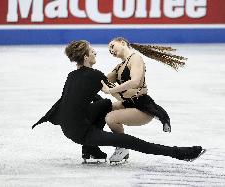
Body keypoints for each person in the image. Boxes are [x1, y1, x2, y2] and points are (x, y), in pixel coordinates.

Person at [32, 40, 204, 164]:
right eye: (92, 51)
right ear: (85, 57)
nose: (95, 53)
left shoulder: (72, 76)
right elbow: (122, 97)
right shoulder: (95, 75)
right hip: (81, 133)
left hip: (67, 127)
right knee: (129, 141)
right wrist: (149, 104)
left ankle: (91, 152)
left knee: (104, 104)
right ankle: (180, 153)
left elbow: (68, 101)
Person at [101, 37, 187, 162]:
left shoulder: (135, 58)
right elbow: (104, 79)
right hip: (129, 103)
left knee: (110, 118)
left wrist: (111, 91)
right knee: (103, 108)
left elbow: (135, 81)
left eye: (112, 46)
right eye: (109, 50)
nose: (111, 51)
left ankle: (122, 147)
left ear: (123, 43)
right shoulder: (120, 66)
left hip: (142, 107)